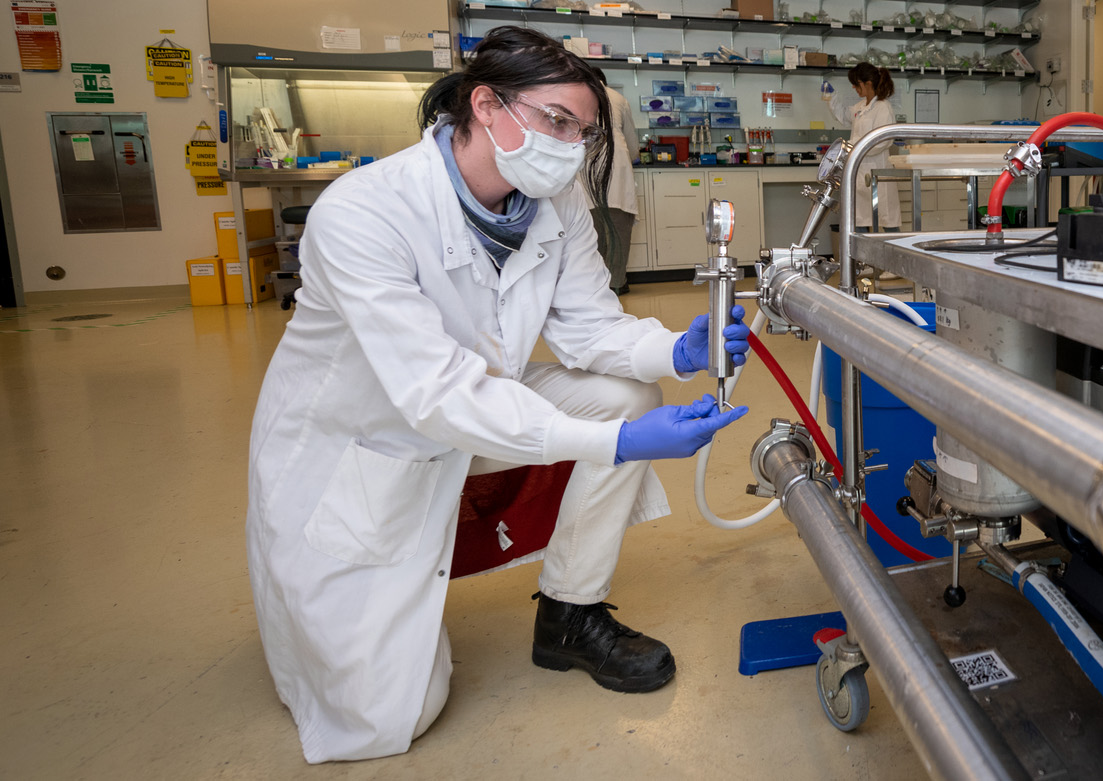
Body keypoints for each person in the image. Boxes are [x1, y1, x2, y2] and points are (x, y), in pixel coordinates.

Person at [245, 27, 752, 764]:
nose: (571, 146)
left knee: (624, 392)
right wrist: (614, 446)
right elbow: (434, 392)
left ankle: (570, 615)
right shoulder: (364, 212)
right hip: (359, 447)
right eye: (556, 121)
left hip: (466, 414)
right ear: (486, 104)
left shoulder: (555, 201)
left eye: (581, 131)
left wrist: (673, 349)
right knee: (391, 715)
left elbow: (589, 327)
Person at [823, 63, 900, 231]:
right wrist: (831, 97)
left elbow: (883, 141)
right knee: (859, 221)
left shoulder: (883, 107)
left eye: (856, 84)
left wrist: (855, 148)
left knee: (887, 222)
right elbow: (844, 116)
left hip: (877, 173)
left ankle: (893, 257)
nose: (854, 87)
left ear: (868, 84)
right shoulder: (861, 107)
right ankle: (863, 258)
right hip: (859, 173)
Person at [586, 67, 642, 295]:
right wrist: (632, 157)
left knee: (591, 235)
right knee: (618, 234)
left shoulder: (577, 95)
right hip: (617, 169)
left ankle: (595, 287)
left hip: (583, 171)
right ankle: (617, 283)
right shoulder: (618, 98)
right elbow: (632, 144)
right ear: (605, 81)